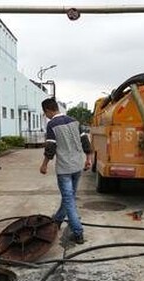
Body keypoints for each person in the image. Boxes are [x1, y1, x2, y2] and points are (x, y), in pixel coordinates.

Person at [40, 98, 92, 244]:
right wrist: (88, 159)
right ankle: (57, 220)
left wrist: (44, 165)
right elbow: (85, 141)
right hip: (77, 166)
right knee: (69, 197)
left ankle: (78, 232)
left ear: (48, 110)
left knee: (69, 200)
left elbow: (50, 147)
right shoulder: (74, 121)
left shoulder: (52, 124)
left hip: (64, 169)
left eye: (45, 114)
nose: (47, 116)